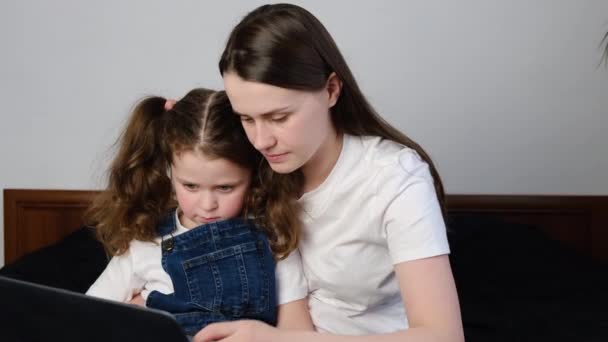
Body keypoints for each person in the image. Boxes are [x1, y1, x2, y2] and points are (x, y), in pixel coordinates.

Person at [194, 3, 464, 342]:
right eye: (246, 119)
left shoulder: (394, 176)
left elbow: (444, 336)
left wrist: (277, 340)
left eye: (279, 118)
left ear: (331, 90)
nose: (262, 140)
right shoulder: (253, 168)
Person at [85, 88, 307, 337]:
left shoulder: (274, 238)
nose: (207, 204)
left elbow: (297, 331)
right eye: (190, 186)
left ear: (254, 177)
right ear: (170, 173)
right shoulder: (146, 241)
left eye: (225, 188)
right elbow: (88, 315)